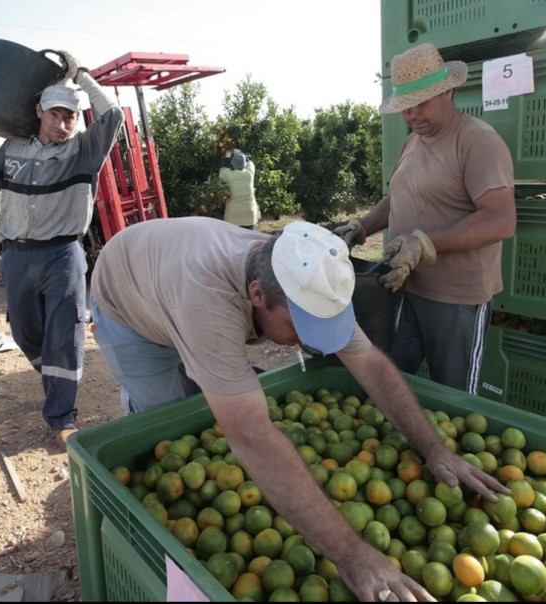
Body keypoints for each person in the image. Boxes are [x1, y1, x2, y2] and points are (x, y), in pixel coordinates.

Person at [89, 216, 510, 602]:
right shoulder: (208, 300)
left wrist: (433, 448)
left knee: (213, 390)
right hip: (127, 300)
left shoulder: (305, 275)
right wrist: (351, 554)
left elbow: (372, 366)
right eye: (299, 329)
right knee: (167, 421)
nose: (306, 344)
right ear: (257, 294)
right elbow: (251, 434)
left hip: (176, 281)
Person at [0, 51, 124, 450]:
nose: (63, 124)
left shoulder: (84, 152)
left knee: (65, 336)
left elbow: (112, 118)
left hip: (62, 256)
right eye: (56, 115)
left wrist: (82, 76)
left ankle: (62, 415)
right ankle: (53, 379)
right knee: (26, 333)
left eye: (70, 117)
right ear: (39, 112)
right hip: (18, 257)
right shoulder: (12, 149)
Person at [335, 42, 516, 394]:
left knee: (454, 396)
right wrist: (361, 227)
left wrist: (426, 243)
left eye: (422, 103)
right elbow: (398, 197)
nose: (413, 114)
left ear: (448, 91)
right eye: (405, 107)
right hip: (405, 286)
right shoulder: (414, 141)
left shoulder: (477, 141)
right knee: (393, 382)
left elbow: (500, 220)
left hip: (457, 299)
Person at [218, 148, 260, 229]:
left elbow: (223, 169)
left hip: (233, 213)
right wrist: (240, 153)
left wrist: (227, 156)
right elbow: (250, 162)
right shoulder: (249, 173)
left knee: (232, 239)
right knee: (249, 238)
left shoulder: (228, 175)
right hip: (249, 212)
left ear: (232, 163)